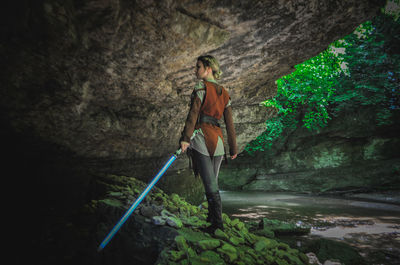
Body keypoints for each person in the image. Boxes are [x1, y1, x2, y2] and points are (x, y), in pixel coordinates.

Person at [180, 55, 238, 233]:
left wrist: (185, 138)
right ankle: (212, 218)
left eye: (198, 67)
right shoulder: (225, 92)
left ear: (208, 69)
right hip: (218, 141)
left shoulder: (201, 87)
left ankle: (217, 224)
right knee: (212, 182)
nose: (195, 71)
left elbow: (193, 114)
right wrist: (233, 148)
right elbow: (229, 124)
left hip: (202, 138)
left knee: (210, 184)